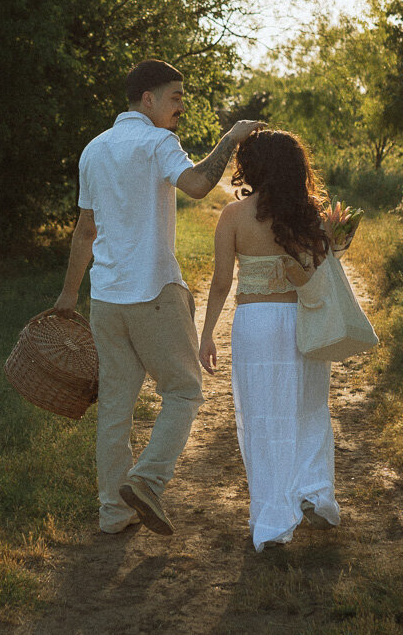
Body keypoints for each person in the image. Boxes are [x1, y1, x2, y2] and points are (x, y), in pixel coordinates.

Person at [54, 59, 261, 537]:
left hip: (105, 299)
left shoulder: (94, 149)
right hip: (153, 292)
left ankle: (112, 512)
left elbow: (85, 231)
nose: (180, 108)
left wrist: (69, 296)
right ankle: (146, 481)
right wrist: (231, 138)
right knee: (185, 391)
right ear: (147, 99)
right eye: (174, 98)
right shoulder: (157, 142)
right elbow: (197, 185)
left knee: (115, 408)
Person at [199, 129, 344, 551]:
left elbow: (221, 283)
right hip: (302, 319)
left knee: (263, 418)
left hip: (256, 324)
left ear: (252, 167)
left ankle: (274, 516)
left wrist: (206, 333)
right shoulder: (312, 215)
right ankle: (314, 491)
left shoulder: (233, 216)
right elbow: (321, 272)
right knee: (310, 407)